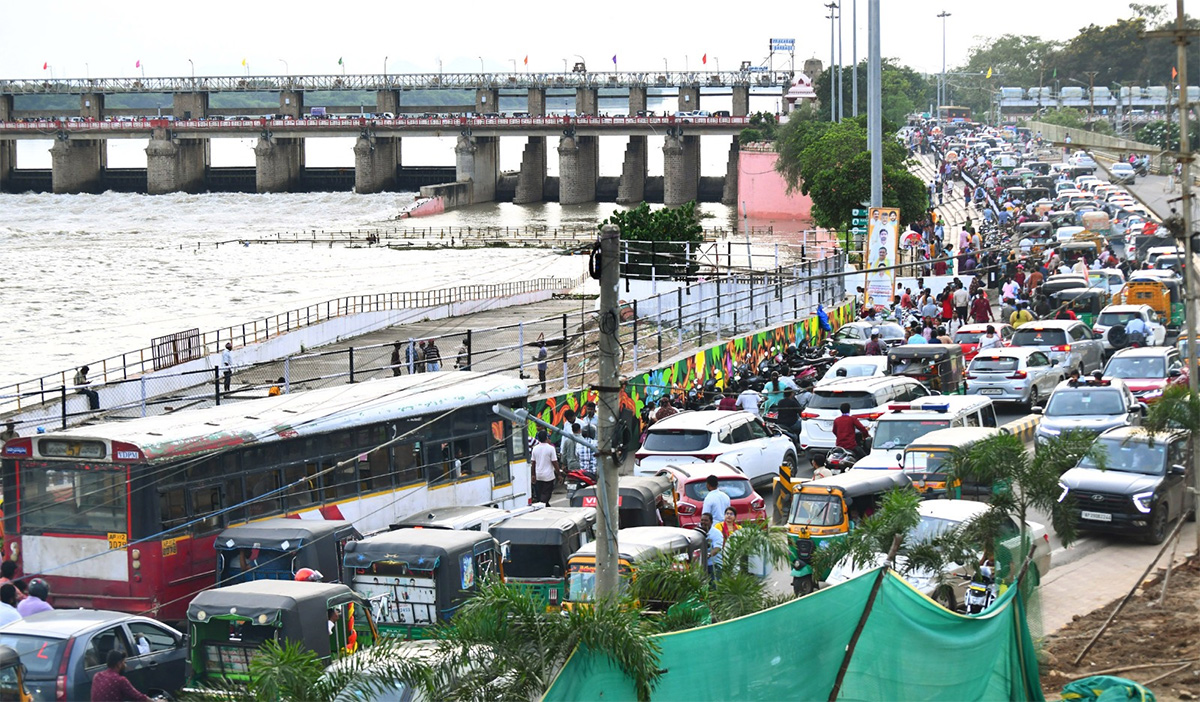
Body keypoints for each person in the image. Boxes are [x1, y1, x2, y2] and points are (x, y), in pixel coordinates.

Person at [530, 431, 558, 505]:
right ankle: (543, 506)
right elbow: (554, 462)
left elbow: (533, 463)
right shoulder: (551, 448)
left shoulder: (535, 448)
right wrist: (559, 474)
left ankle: (545, 505)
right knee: (546, 494)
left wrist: (533, 474)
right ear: (546, 438)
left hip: (538, 475)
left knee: (541, 494)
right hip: (548, 476)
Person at [699, 512, 723, 581]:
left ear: (711, 522)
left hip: (714, 565)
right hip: (702, 565)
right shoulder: (698, 532)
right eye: (702, 520)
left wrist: (708, 555)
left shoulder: (716, 533)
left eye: (706, 520)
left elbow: (717, 548)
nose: (703, 522)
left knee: (714, 586)